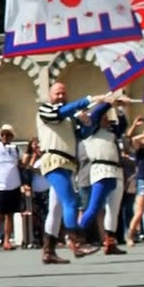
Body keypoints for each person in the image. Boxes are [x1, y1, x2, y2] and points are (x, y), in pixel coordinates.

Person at [37, 83, 108, 263]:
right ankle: (77, 243)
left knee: (56, 207)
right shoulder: (45, 109)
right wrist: (90, 100)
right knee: (70, 201)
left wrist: (90, 118)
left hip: (67, 163)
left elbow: (84, 134)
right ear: (50, 95)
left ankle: (48, 251)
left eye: (63, 93)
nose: (60, 96)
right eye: (57, 93)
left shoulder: (70, 118)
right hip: (54, 160)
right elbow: (58, 114)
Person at [78, 100, 129, 254]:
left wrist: (119, 108)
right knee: (93, 208)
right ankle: (76, 238)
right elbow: (96, 114)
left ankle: (110, 242)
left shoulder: (111, 132)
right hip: (101, 170)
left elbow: (123, 125)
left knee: (113, 210)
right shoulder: (89, 130)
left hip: (116, 171)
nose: (106, 120)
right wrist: (109, 103)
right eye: (104, 118)